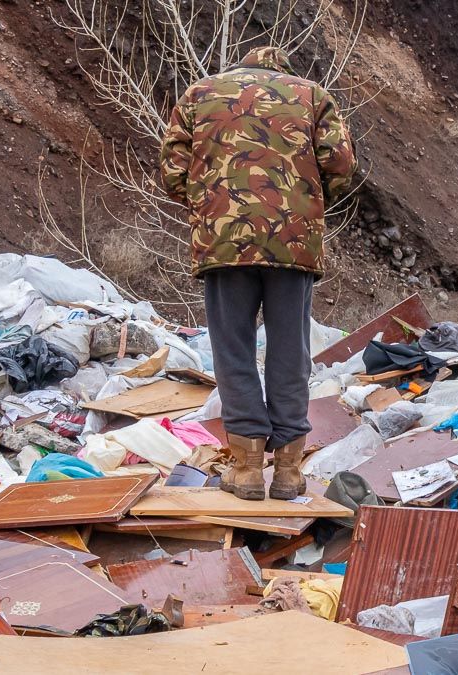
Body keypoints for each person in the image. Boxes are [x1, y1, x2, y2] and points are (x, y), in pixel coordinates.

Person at [160, 47, 356, 501]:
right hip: (293, 241)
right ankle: (288, 473)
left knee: (233, 350)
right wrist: (302, 203)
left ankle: (247, 471)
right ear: (281, 70)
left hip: (224, 241)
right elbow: (342, 167)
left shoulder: (198, 94)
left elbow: (172, 173)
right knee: (290, 348)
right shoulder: (313, 96)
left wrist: (212, 205)